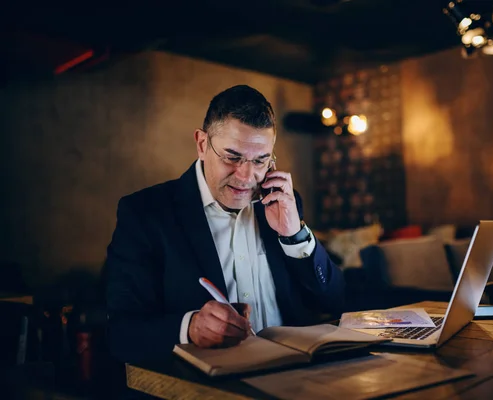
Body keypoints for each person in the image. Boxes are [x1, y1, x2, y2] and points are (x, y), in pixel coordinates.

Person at [105, 85, 345, 363]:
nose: (246, 177)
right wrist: (189, 327)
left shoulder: (285, 202)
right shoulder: (145, 213)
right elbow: (121, 333)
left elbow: (333, 301)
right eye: (232, 157)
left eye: (260, 161)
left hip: (296, 377)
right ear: (202, 144)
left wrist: (295, 235)